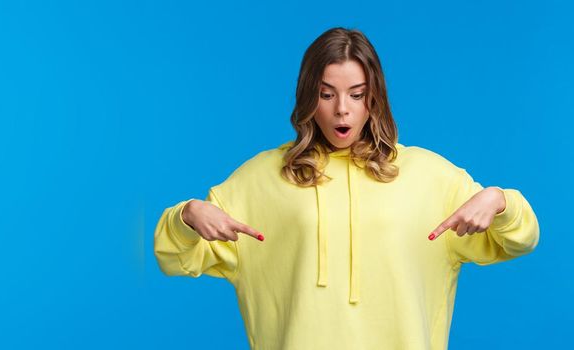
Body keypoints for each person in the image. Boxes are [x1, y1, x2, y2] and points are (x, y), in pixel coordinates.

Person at [154, 27, 540, 350]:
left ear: (375, 98)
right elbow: (172, 257)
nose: (342, 108)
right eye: (326, 94)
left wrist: (501, 201)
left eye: (356, 94)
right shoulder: (260, 179)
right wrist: (186, 216)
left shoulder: (430, 176)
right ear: (309, 98)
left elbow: (520, 240)